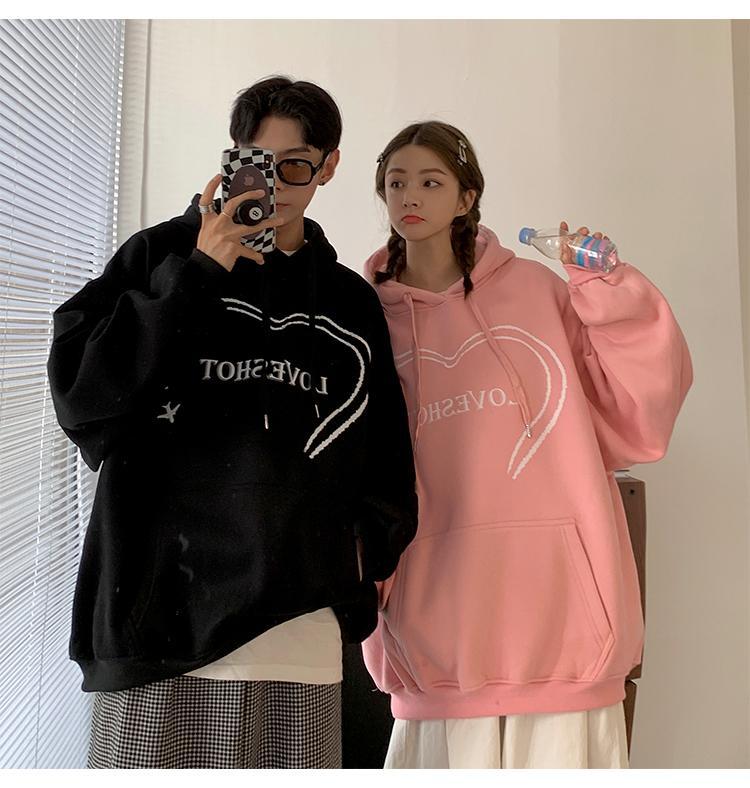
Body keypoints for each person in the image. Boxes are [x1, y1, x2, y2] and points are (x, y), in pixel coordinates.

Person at [46, 75, 417, 769]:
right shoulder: (155, 258)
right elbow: (83, 399)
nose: (275, 185)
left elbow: (384, 449)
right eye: (258, 163)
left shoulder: (347, 300)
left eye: (297, 167)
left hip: (297, 628)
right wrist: (198, 271)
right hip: (157, 620)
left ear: (329, 166)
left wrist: (371, 553)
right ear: (232, 157)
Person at [360, 120, 693, 768]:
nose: (410, 196)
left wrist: (609, 287)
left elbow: (636, 409)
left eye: (431, 181)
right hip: (436, 632)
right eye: (396, 183)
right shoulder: (365, 317)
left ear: (467, 197)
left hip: (562, 624)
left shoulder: (538, 292)